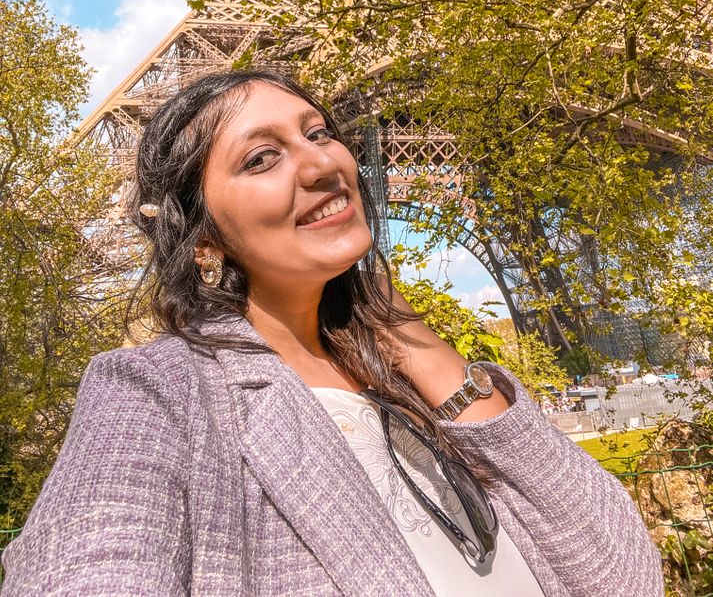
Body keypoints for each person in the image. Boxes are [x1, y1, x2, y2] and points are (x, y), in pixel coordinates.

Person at [1, 69, 664, 596]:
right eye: (261, 157)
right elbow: (93, 560)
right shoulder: (155, 393)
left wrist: (415, 342)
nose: (318, 163)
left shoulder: (396, 373)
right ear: (203, 236)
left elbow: (621, 577)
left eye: (317, 133)